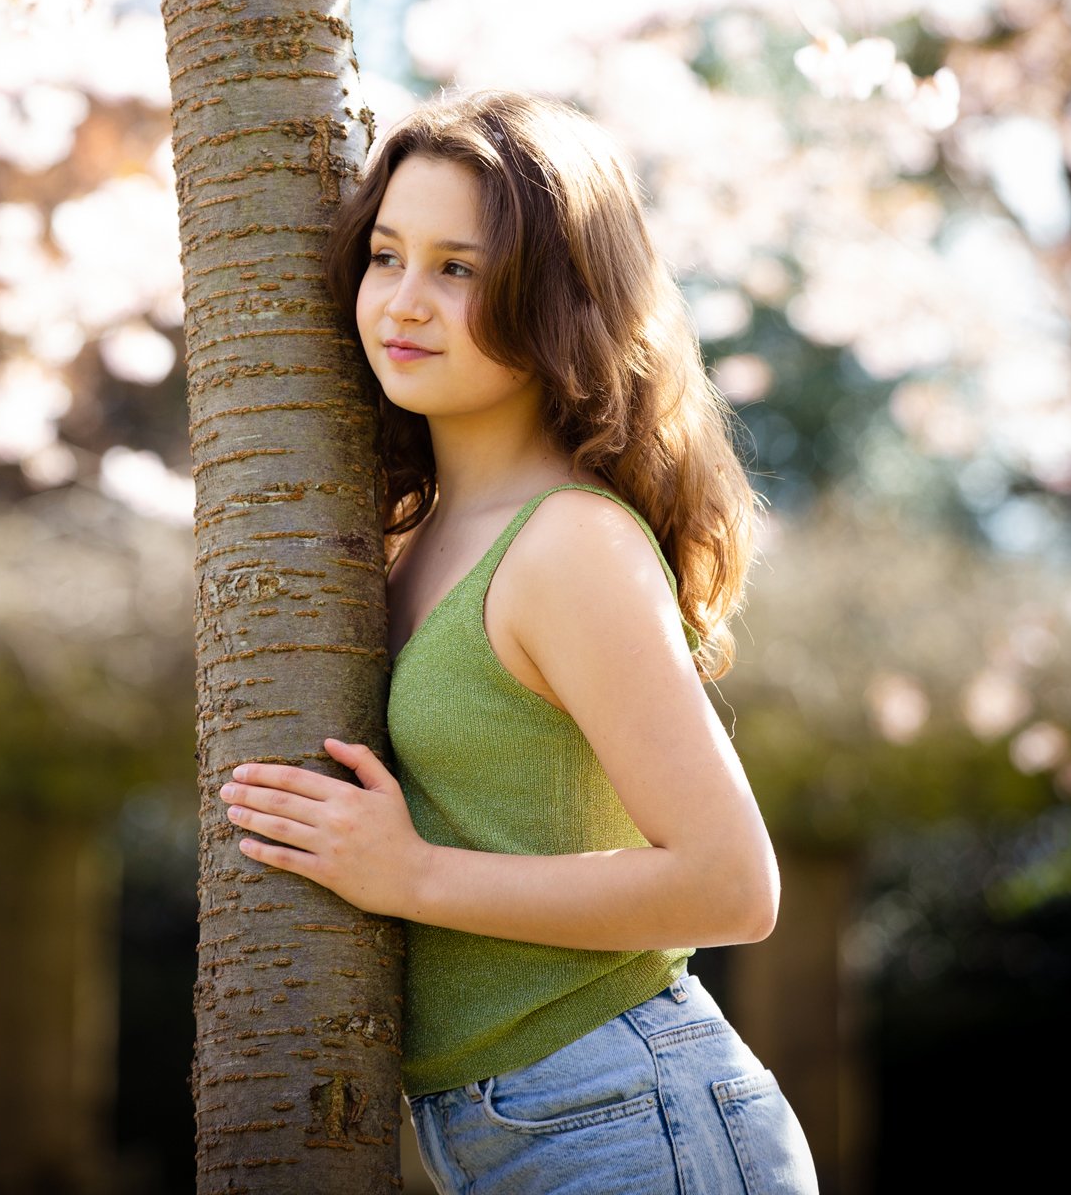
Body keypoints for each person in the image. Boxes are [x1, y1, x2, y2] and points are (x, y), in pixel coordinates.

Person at [217, 87, 818, 1194]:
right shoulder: (408, 532)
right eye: (386, 255)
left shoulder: (568, 546)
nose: (403, 301)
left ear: (555, 295)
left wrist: (409, 874)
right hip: (507, 1135)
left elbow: (734, 884)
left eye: (458, 267)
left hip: (632, 1119)